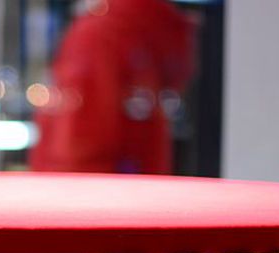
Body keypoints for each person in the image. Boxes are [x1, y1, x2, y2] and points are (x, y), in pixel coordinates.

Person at [30, 0, 194, 174]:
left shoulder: (99, 32)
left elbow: (80, 141)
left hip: (93, 185)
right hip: (139, 180)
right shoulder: (145, 23)